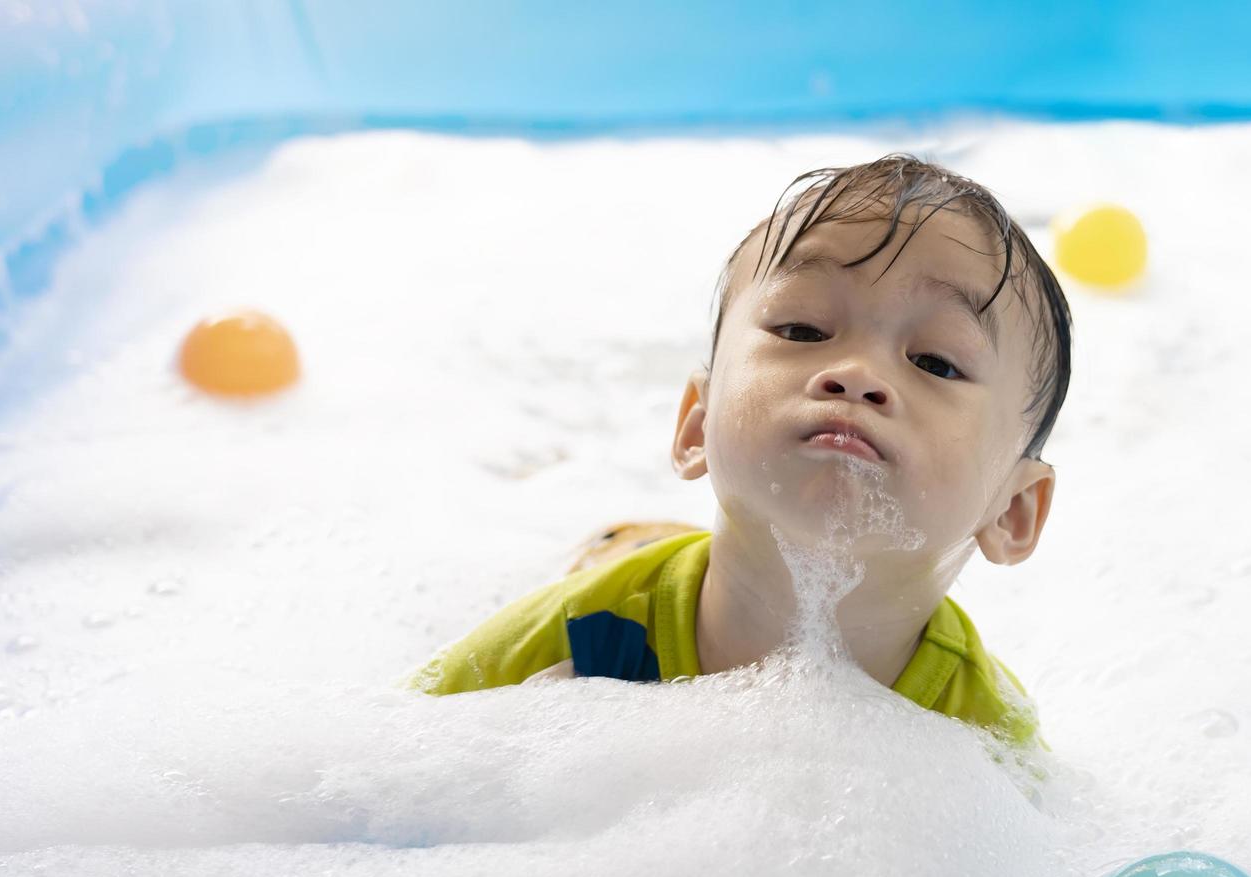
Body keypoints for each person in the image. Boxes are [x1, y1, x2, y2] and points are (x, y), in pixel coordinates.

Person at [407, 153, 1073, 750]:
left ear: (1013, 512)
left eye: (935, 361)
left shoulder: (982, 740)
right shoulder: (586, 634)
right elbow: (382, 763)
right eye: (802, 328)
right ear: (696, 425)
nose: (859, 374)